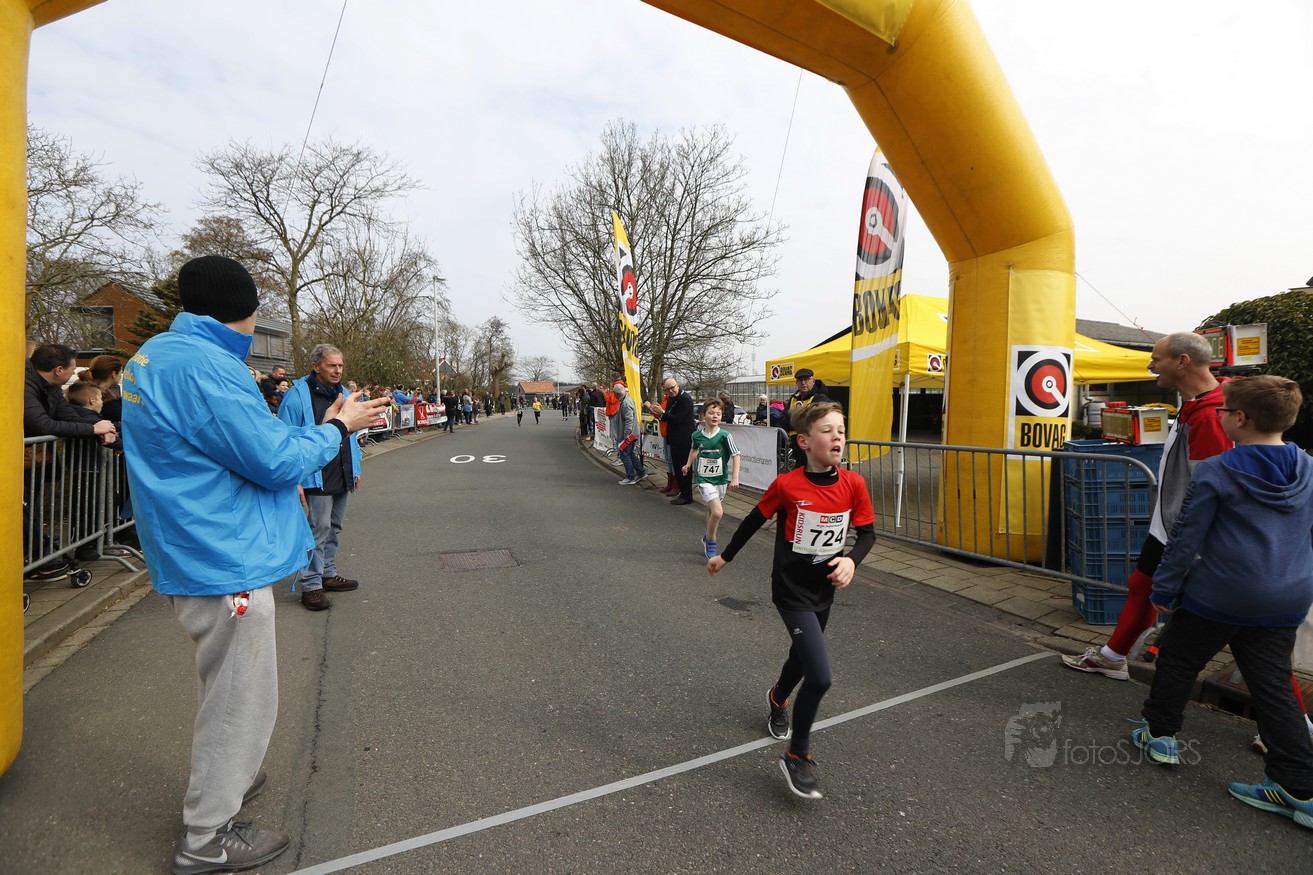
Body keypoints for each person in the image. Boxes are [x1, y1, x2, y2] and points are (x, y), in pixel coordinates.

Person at [121, 255, 388, 873]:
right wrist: (339, 429)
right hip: (224, 553)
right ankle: (207, 836)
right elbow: (272, 460)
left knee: (224, 682)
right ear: (245, 310)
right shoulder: (208, 366)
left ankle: (230, 776)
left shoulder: (158, 354)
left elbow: (243, 446)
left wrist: (324, 425)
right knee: (241, 697)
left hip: (194, 542)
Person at [1130, 376, 1313, 827]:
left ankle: (1160, 735)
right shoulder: (1309, 467)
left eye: (1224, 411)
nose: (1221, 416)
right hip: (1286, 594)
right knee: (1273, 685)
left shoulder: (1217, 470)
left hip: (1220, 593)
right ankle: (1298, 787)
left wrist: (1164, 589)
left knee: (1178, 658)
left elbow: (1185, 537)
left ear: (1241, 419)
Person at [707, 402, 876, 799]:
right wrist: (725, 556)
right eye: (827, 430)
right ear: (804, 442)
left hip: (824, 589)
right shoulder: (787, 485)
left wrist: (851, 561)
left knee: (802, 657)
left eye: (841, 430)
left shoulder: (854, 483)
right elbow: (754, 520)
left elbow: (868, 533)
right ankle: (797, 755)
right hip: (790, 590)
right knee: (819, 676)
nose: (837, 437)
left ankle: (777, 696)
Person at [1063, 332, 1232, 680]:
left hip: (1185, 529)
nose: (1151, 365)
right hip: (1171, 524)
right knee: (1141, 585)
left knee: (1246, 638)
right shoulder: (1198, 404)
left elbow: (1208, 488)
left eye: (1156, 358)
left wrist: (1187, 537)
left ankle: (1289, 727)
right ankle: (1113, 656)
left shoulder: (1209, 415)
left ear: (1182, 361)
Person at [277, 343, 365, 612]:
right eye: (332, 365)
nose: (338, 370)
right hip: (316, 475)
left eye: (340, 365)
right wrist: (294, 478)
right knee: (317, 530)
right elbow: (284, 438)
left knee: (334, 527)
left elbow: (352, 435)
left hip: (342, 471)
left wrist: (356, 468)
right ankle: (311, 585)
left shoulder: (344, 393)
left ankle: (327, 573)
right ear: (316, 366)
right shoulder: (296, 396)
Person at [682, 398, 741, 558]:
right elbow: (694, 450)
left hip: (720, 479)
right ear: (704, 415)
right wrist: (688, 464)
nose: (715, 416)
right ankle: (711, 540)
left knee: (711, 511)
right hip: (704, 479)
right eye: (711, 413)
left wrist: (735, 478)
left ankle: (706, 538)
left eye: (718, 414)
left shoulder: (725, 436)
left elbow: (736, 455)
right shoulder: (696, 435)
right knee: (718, 512)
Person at [645, 376, 696, 505]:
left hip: (683, 439)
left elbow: (678, 419)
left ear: (677, 385)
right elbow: (667, 416)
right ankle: (681, 492)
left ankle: (686, 495)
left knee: (684, 467)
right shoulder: (672, 398)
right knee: (677, 466)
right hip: (673, 438)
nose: (670, 391)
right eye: (667, 389)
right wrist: (658, 413)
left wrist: (662, 412)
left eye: (672, 388)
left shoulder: (685, 399)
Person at [785, 369, 830, 468]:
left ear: (813, 381)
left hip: (815, 456)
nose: (803, 383)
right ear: (796, 383)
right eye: (800, 380)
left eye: (806, 379)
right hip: (798, 456)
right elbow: (783, 421)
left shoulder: (820, 398)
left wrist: (792, 417)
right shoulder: (793, 399)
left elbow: (812, 421)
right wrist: (802, 417)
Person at [613, 384, 646, 485]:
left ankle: (630, 477)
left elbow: (629, 419)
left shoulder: (625, 403)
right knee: (630, 453)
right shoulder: (626, 400)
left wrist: (626, 434)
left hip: (629, 435)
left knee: (624, 454)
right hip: (632, 433)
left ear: (616, 394)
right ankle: (641, 472)